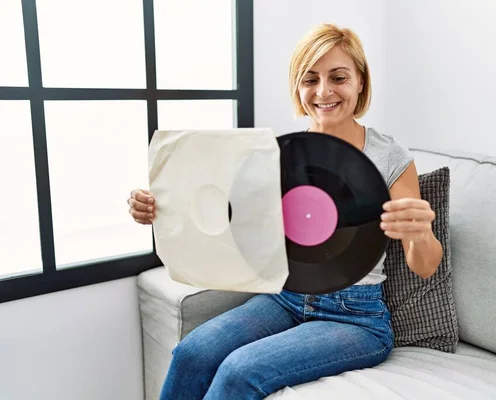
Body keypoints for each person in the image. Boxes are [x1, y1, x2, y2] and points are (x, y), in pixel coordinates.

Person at [127, 23, 443, 400]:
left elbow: (424, 265)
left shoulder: (389, 156)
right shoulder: (280, 153)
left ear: (360, 82)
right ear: (298, 88)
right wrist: (160, 208)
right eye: (310, 79)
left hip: (356, 318)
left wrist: (420, 231)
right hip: (284, 297)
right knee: (193, 353)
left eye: (338, 77)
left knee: (239, 372)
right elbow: (223, 213)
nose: (324, 91)